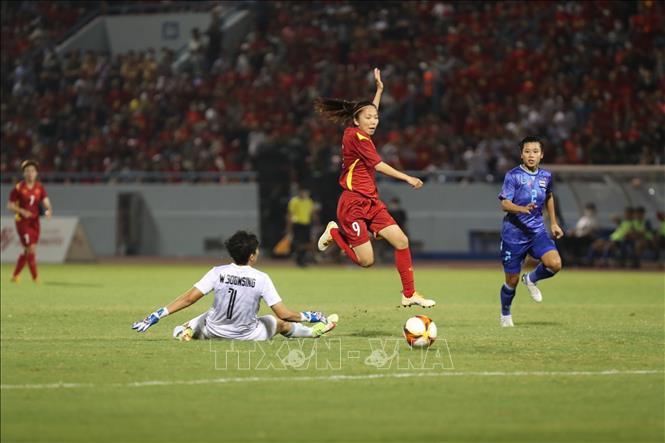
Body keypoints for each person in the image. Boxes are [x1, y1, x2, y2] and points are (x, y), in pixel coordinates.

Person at [314, 68, 435, 308]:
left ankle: (409, 294)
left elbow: (369, 110)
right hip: (352, 204)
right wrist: (407, 178)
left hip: (371, 202)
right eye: (368, 117)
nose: (373, 121)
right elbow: (379, 165)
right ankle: (335, 232)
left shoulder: (362, 134)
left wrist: (379, 90)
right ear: (356, 120)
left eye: (376, 117)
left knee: (401, 241)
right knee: (366, 261)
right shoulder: (354, 137)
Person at [132, 231, 338, 341]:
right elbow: (284, 314)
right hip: (247, 335)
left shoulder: (217, 272)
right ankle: (313, 333)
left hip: (213, 331)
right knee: (279, 324)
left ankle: (186, 331)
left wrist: (156, 315)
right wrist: (311, 315)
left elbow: (188, 299)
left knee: (196, 320)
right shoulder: (261, 278)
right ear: (251, 255)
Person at [497, 136, 564, 327]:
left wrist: (553, 223)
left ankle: (531, 278)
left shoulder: (546, 176)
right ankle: (506, 315)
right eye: (527, 151)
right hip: (513, 234)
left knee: (555, 263)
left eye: (535, 151)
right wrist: (521, 208)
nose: (531, 155)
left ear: (541, 155)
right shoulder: (513, 176)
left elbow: (549, 196)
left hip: (536, 232)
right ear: (521, 155)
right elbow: (504, 204)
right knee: (511, 280)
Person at [7, 160, 52, 283]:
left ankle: (15, 275)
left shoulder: (39, 187)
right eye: (27, 171)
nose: (30, 173)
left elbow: (45, 200)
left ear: (36, 173)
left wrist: (49, 209)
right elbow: (10, 205)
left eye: (32, 171)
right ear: (23, 173)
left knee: (29, 250)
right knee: (31, 248)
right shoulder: (18, 188)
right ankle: (35, 277)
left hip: (35, 222)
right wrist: (22, 211)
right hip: (22, 222)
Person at [286, 186, 317, 267]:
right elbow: (290, 214)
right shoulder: (294, 201)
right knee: (299, 243)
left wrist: (315, 223)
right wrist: (289, 227)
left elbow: (312, 213)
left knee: (307, 243)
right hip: (298, 224)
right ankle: (300, 260)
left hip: (306, 224)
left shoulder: (309, 201)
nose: (304, 194)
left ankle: (301, 259)